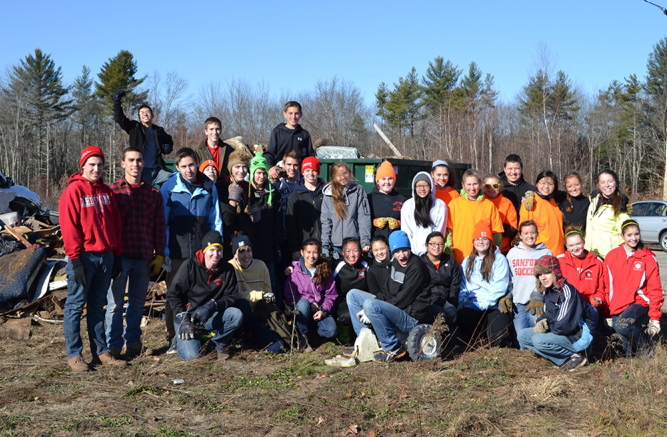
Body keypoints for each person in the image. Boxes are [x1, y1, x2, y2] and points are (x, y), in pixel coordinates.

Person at [60, 146, 125, 371]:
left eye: (99, 165)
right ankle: (74, 355)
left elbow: (116, 226)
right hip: (84, 257)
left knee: (98, 305)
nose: (96, 169)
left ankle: (101, 351)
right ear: (83, 166)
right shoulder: (74, 191)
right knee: (76, 305)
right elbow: (69, 227)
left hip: (105, 256)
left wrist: (116, 255)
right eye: (92, 165)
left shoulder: (107, 192)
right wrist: (75, 260)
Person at [160, 147, 223, 351]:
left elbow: (216, 221)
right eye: (184, 166)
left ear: (197, 163)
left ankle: (197, 333)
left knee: (198, 294)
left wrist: (214, 249)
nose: (189, 170)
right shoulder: (168, 188)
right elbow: (163, 223)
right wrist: (165, 252)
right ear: (177, 167)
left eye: (192, 165)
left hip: (200, 254)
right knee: (174, 295)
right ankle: (173, 337)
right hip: (177, 253)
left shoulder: (209, 187)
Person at [106, 148, 166, 359]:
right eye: (131, 160)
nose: (136, 164)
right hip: (119, 258)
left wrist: (159, 254)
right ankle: (112, 346)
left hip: (143, 257)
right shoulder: (112, 192)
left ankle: (133, 343)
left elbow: (159, 226)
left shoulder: (153, 194)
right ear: (123, 163)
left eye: (139, 160)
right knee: (114, 305)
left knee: (137, 304)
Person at [345, 230, 431, 362]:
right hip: (395, 306)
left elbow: (403, 299)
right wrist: (376, 303)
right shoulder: (396, 262)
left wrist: (374, 308)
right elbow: (387, 289)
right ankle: (364, 340)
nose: (401, 255)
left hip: (410, 316)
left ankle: (392, 347)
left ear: (410, 248)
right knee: (353, 295)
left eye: (404, 250)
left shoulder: (416, 268)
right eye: (397, 251)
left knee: (370, 305)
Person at [166, 231, 243, 361]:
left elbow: (232, 296)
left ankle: (218, 344)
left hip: (210, 316)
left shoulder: (227, 269)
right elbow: (173, 294)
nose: (216, 254)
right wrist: (182, 318)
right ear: (204, 251)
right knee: (191, 357)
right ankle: (177, 339)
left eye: (219, 250)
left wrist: (212, 305)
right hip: (188, 319)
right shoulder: (189, 265)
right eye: (211, 250)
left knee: (235, 314)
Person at [517, 255, 594, 371]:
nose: (543, 277)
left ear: (555, 272)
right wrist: (540, 321)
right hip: (559, 330)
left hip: (576, 335)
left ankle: (576, 356)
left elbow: (564, 325)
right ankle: (565, 360)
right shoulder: (548, 291)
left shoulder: (567, 291)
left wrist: (546, 328)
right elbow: (547, 314)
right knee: (522, 336)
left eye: (546, 273)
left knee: (538, 340)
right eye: (539, 275)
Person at [603, 220, 663, 356]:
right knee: (626, 351)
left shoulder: (647, 257)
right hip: (618, 303)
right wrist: (607, 311)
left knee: (622, 326)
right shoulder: (612, 255)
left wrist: (655, 317)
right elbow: (607, 284)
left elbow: (655, 288)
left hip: (639, 302)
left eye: (636, 234)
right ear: (622, 236)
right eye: (629, 235)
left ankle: (646, 345)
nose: (633, 238)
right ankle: (636, 358)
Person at [228, 235, 290, 351]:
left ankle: (252, 338)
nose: (246, 255)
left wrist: (266, 297)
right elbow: (234, 295)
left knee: (278, 347)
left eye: (249, 251)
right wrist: (259, 294)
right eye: (241, 252)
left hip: (258, 314)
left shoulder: (261, 265)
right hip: (239, 314)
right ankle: (237, 338)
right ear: (234, 254)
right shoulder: (230, 267)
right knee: (242, 304)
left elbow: (268, 292)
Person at [457, 221, 511, 347]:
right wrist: (462, 301)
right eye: (478, 239)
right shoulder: (467, 261)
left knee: (498, 339)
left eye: (484, 238)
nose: (481, 242)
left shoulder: (499, 260)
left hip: (492, 305)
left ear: (490, 241)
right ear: (473, 242)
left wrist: (483, 304)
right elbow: (463, 285)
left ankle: (489, 331)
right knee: (463, 331)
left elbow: (499, 287)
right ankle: (480, 333)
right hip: (472, 304)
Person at [283, 238, 338, 347]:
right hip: (303, 309)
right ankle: (302, 336)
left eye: (315, 252)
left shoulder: (326, 269)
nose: (311, 256)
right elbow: (290, 297)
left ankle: (312, 333)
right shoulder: (294, 271)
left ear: (319, 253)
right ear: (302, 252)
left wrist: (323, 310)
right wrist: (310, 302)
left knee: (331, 331)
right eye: (308, 252)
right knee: (303, 304)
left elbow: (331, 294)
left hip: (319, 309)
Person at [113, 90, 173, 186]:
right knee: (143, 196)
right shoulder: (134, 127)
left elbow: (169, 140)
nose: (145, 114)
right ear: (139, 117)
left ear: (152, 115)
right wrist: (117, 102)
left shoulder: (159, 130)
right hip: (141, 171)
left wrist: (168, 146)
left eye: (147, 112)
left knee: (174, 179)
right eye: (142, 113)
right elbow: (119, 118)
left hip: (158, 170)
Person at [502, 221, 552, 332]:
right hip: (518, 303)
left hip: (538, 302)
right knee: (520, 337)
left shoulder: (546, 253)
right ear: (520, 235)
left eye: (532, 232)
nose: (530, 236)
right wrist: (508, 295)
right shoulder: (513, 253)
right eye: (526, 233)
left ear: (537, 234)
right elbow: (509, 278)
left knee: (537, 333)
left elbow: (550, 279)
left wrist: (540, 295)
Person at [447, 170, 503, 265]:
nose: (472, 188)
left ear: (480, 184)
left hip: (483, 259)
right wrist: (449, 254)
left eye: (475, 184)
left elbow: (496, 234)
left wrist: (493, 255)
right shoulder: (454, 205)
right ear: (463, 185)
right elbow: (448, 234)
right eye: (469, 184)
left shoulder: (489, 205)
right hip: (460, 257)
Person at [246, 152, 283, 291]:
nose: (261, 176)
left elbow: (278, 221)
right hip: (251, 248)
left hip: (269, 248)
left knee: (270, 283)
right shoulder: (246, 192)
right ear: (252, 173)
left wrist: (277, 244)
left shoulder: (273, 192)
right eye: (258, 173)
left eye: (263, 173)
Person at [320, 162, 371, 259]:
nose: (343, 177)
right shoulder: (328, 194)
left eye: (345, 173)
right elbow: (326, 221)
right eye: (339, 175)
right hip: (335, 246)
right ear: (333, 176)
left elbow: (363, 218)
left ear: (350, 173)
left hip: (354, 244)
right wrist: (325, 245)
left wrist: (365, 242)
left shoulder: (358, 191)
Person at [557, 226, 605, 328]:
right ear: (566, 246)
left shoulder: (597, 262)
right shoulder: (560, 261)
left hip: (588, 304)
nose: (575, 248)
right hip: (567, 304)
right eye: (571, 245)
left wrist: (597, 299)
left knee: (590, 320)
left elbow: (602, 288)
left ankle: (590, 341)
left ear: (584, 241)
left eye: (578, 243)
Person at [586, 169, 631, 258]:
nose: (607, 185)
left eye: (610, 181)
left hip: (609, 256)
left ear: (616, 183)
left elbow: (627, 234)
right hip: (590, 254)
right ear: (599, 185)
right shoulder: (594, 200)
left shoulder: (620, 206)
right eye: (603, 182)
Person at [286, 156, 325, 259]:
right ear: (302, 172)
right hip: (303, 247)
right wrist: (295, 249)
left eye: (314, 170)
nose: (310, 174)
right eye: (307, 170)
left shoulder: (326, 193)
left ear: (318, 172)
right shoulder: (295, 196)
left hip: (323, 245)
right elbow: (291, 225)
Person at [400, 171, 447, 256]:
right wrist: (412, 251)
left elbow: (440, 230)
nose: (422, 189)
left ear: (431, 187)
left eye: (425, 185)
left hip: (432, 253)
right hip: (413, 253)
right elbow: (406, 230)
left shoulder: (439, 205)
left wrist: (431, 249)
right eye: (419, 186)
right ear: (414, 187)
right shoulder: (408, 205)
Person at [265, 101, 315, 179]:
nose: (293, 116)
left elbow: (310, 156)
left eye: (296, 113)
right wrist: (270, 167)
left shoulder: (304, 134)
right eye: (290, 113)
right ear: (284, 114)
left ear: (301, 115)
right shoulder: (277, 132)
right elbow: (269, 153)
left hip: (299, 173)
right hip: (280, 172)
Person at [519, 170, 565, 256]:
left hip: (559, 251)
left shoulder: (556, 201)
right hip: (540, 251)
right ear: (536, 184)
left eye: (550, 184)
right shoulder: (530, 202)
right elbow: (523, 228)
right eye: (542, 183)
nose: (546, 186)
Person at [333, 237, 369, 342]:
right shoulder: (338, 267)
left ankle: (368, 334)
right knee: (346, 317)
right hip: (344, 302)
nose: (352, 255)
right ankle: (344, 336)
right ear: (343, 253)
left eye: (355, 250)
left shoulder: (366, 265)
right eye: (348, 251)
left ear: (361, 252)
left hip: (363, 300)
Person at [421, 231, 461, 326]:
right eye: (433, 244)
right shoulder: (420, 263)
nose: (437, 247)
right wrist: (443, 303)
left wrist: (452, 305)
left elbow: (454, 287)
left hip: (448, 302)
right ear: (427, 245)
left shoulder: (451, 263)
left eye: (440, 244)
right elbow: (421, 290)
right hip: (429, 303)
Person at [220, 149, 252, 260]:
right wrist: (232, 202)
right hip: (229, 242)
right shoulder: (222, 187)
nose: (241, 171)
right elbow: (227, 220)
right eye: (237, 167)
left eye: (244, 167)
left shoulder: (249, 187)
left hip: (245, 242)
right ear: (230, 169)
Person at [368, 161, 405, 240]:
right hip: (376, 242)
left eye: (390, 179)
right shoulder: (369, 199)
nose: (387, 182)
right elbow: (362, 220)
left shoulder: (401, 199)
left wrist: (399, 223)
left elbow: (409, 221)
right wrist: (374, 222)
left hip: (396, 241)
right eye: (383, 179)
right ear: (377, 181)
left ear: (394, 180)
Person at [482, 174, 518, 254]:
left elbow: (513, 229)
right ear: (483, 187)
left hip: (502, 249)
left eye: (495, 186)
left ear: (500, 186)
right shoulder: (479, 201)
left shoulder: (507, 203)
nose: (491, 189)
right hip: (480, 248)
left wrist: (495, 225)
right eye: (488, 186)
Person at [195, 117, 234, 182]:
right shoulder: (197, 150)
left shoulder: (229, 149)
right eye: (211, 129)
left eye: (217, 129)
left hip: (224, 186)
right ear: (206, 131)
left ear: (221, 130)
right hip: (205, 186)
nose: (215, 132)